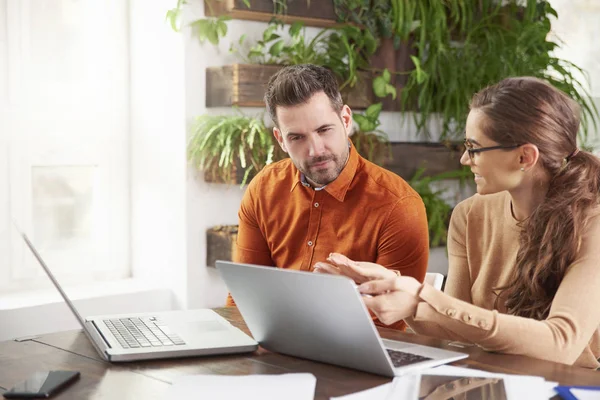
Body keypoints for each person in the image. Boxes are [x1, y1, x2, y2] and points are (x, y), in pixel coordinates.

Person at [315, 76, 600, 368]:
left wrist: (421, 298)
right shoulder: (470, 216)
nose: (465, 159)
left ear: (525, 157)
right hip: (494, 381)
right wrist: (394, 289)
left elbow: (561, 343)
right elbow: (454, 330)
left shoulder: (591, 222)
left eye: (475, 148)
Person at [226, 64, 429, 331]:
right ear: (281, 140)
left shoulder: (398, 206)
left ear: (346, 120)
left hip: (361, 359)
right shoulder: (262, 190)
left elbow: (389, 321)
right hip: (275, 352)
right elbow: (244, 296)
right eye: (297, 137)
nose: (315, 150)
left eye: (324, 130)